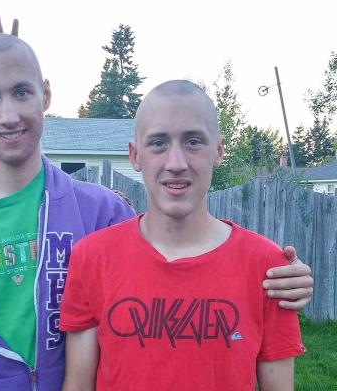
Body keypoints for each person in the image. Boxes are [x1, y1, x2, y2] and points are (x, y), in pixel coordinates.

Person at [0, 23, 311, 391]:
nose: (8, 114)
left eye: (22, 92)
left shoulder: (100, 213)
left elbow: (167, 259)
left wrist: (282, 275)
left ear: (45, 95)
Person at [60, 80, 305, 391]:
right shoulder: (92, 258)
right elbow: (78, 384)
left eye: (193, 142)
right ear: (136, 155)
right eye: (158, 143)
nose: (176, 163)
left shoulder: (268, 268)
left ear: (218, 151)